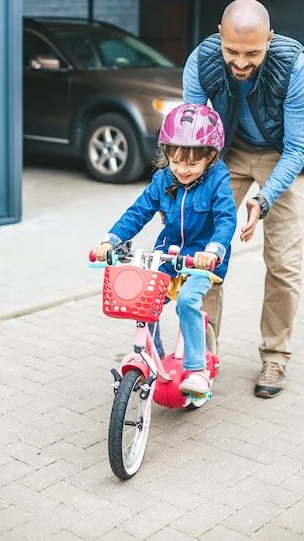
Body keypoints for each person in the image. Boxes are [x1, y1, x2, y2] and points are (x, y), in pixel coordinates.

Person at [183, 0, 304, 399]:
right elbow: (193, 134)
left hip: (284, 154)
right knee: (203, 252)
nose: (241, 63)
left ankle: (276, 355)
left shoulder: (294, 65)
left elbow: (297, 148)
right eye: (232, 51)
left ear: (270, 39)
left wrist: (262, 202)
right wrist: (183, 191)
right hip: (226, 153)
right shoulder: (201, 60)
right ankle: (201, 355)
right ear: (219, 36)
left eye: (253, 53)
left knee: (282, 259)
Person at [93, 103, 236, 396]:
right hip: (168, 256)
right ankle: (152, 355)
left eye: (191, 164)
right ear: (167, 153)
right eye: (176, 161)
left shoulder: (218, 181)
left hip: (200, 261)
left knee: (186, 302)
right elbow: (138, 212)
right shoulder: (162, 180)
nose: (182, 170)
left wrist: (212, 250)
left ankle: (197, 371)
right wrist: (111, 240)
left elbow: (226, 219)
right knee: (144, 299)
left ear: (210, 157)